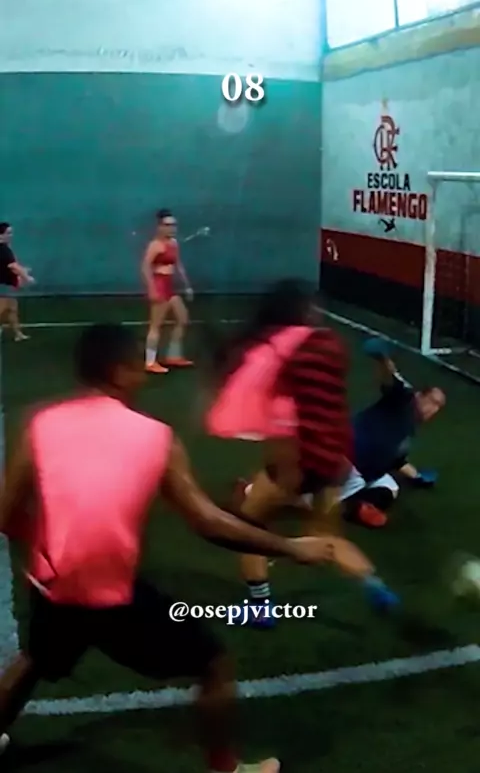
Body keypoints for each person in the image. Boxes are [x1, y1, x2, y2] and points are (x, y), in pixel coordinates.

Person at [0, 322, 352, 772]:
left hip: (53, 585)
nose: (143, 375)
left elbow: (5, 513)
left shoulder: (41, 425)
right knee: (215, 664)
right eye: (137, 365)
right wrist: (291, 547)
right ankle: (227, 769)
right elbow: (207, 521)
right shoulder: (155, 436)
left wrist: (47, 546)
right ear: (119, 372)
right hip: (112, 597)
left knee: (34, 661)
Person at [204, 280, 397, 628]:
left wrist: (286, 476)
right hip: (334, 460)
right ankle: (375, 586)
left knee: (248, 527)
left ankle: (260, 607)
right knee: (327, 535)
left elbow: (283, 415)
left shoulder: (279, 353)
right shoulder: (331, 346)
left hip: (296, 459)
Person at [339, 337, 446, 528]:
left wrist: (417, 476)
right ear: (419, 395)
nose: (433, 409)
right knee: (312, 500)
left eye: (438, 407)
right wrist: (382, 358)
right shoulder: (404, 399)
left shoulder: (408, 427)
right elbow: (392, 379)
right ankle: (345, 507)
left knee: (390, 488)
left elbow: (396, 459)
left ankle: (355, 506)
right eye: (432, 401)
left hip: (363, 471)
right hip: (346, 459)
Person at [142, 209, 193, 373]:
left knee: (183, 319)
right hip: (159, 285)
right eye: (167, 225)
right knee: (156, 325)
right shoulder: (155, 245)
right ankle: (150, 362)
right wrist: (152, 289)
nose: (172, 228)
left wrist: (187, 285)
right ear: (160, 227)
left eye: (173, 225)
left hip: (170, 286)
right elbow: (145, 267)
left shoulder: (174, 243)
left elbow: (178, 265)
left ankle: (173, 356)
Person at [0, 222, 34, 342]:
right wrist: (26, 277)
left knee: (12, 309)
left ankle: (18, 334)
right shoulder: (3, 249)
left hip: (7, 284)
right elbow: (13, 266)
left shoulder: (4, 249)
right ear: (1, 235)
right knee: (3, 310)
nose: (11, 235)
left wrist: (23, 270)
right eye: (8, 233)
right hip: (3, 286)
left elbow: (9, 266)